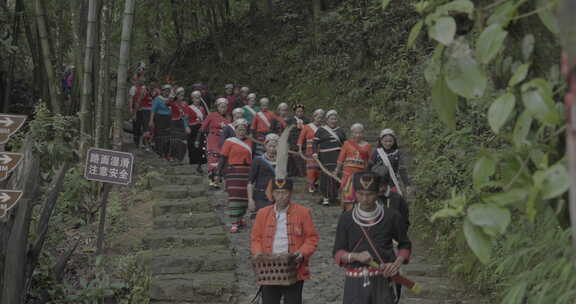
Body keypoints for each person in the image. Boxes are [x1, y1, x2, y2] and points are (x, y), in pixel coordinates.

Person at [332, 171, 412, 304]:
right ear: (355, 193)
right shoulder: (346, 218)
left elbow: (405, 245)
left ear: (377, 193)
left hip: (384, 280)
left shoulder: (392, 216)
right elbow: (338, 252)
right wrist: (355, 256)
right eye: (360, 194)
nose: (364, 199)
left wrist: (397, 263)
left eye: (369, 194)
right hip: (355, 283)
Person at [251, 178, 319, 304]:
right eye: (278, 192)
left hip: (294, 268)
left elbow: (311, 238)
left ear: (291, 193)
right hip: (269, 269)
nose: (281, 196)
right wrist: (258, 254)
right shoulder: (262, 213)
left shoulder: (303, 212)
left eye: (284, 192)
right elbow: (256, 238)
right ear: (272, 194)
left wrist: (302, 253)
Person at [217, 119, 253, 233]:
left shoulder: (250, 142)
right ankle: (234, 222)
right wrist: (218, 173)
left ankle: (240, 218)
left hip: (246, 172)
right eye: (239, 129)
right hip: (233, 172)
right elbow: (223, 158)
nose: (241, 131)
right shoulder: (229, 141)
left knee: (244, 197)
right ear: (235, 130)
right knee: (234, 197)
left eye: (243, 129)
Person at [336, 123, 372, 211]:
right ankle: (346, 211)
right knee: (346, 193)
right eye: (355, 133)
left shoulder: (368, 146)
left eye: (360, 133)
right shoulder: (347, 144)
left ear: (363, 133)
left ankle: (358, 210)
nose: (358, 135)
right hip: (347, 174)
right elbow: (341, 158)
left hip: (361, 175)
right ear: (351, 133)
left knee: (359, 193)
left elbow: (370, 161)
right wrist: (337, 169)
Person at [313, 110, 346, 206]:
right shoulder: (321, 130)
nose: (333, 121)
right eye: (331, 119)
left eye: (335, 119)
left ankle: (334, 196)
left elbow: (345, 145)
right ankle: (325, 198)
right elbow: (315, 143)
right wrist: (315, 153)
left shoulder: (340, 131)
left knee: (336, 176)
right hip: (325, 157)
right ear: (327, 120)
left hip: (337, 157)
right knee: (325, 177)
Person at [368, 129, 411, 197]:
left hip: (393, 184)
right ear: (381, 141)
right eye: (385, 141)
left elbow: (402, 170)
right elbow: (369, 168)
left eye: (390, 141)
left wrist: (407, 185)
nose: (388, 143)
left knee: (394, 204)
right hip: (378, 184)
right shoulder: (376, 153)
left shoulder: (397, 153)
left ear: (394, 141)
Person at [247, 133, 279, 218]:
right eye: (270, 146)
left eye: (274, 146)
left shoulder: (282, 162)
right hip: (261, 196)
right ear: (265, 146)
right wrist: (250, 199)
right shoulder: (258, 160)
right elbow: (250, 182)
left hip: (277, 196)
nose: (272, 149)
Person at [201, 98, 230, 188]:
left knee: (221, 160)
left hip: (223, 140)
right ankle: (212, 182)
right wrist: (199, 139)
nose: (223, 109)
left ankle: (219, 180)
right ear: (217, 107)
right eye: (221, 107)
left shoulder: (228, 118)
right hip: (213, 139)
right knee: (213, 158)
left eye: (225, 107)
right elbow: (203, 128)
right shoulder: (212, 115)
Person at [297, 109, 324, 193]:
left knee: (319, 168)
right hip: (310, 150)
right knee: (311, 168)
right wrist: (300, 150)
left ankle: (317, 183)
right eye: (318, 117)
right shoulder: (307, 127)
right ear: (314, 117)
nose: (319, 119)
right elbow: (301, 139)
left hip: (321, 150)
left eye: (321, 117)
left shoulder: (323, 128)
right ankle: (311, 185)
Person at [184, 90, 207, 173]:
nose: (198, 99)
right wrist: (186, 126)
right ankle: (193, 164)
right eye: (196, 98)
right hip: (192, 128)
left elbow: (204, 119)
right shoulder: (188, 108)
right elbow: (185, 118)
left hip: (200, 129)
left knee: (201, 147)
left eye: (199, 98)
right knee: (192, 146)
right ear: (192, 99)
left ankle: (199, 165)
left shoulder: (202, 108)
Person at [149, 84, 173, 159]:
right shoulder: (157, 99)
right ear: (162, 91)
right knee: (159, 136)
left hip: (169, 119)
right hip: (160, 118)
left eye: (168, 91)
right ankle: (160, 152)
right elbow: (153, 110)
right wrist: (151, 120)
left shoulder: (171, 99)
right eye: (166, 91)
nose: (167, 92)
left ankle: (167, 153)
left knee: (168, 136)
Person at [168, 87, 191, 163]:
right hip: (174, 123)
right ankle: (171, 156)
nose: (182, 96)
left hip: (182, 123)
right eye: (180, 95)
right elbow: (167, 103)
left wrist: (187, 126)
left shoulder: (185, 104)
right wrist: (172, 97)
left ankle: (180, 158)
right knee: (174, 141)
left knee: (183, 141)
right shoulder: (173, 103)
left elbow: (186, 115)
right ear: (177, 95)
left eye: (183, 95)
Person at [285, 104, 308, 177]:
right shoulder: (290, 120)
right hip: (293, 142)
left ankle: (302, 174)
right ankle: (292, 174)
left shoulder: (307, 120)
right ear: (295, 112)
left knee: (302, 160)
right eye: (298, 111)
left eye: (301, 111)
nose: (300, 113)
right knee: (292, 159)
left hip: (303, 143)